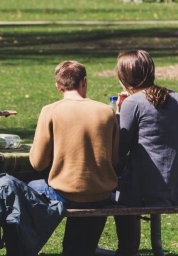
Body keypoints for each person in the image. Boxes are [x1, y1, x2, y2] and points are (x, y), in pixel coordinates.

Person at [29, 60, 119, 256]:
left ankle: (25, 246)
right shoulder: (107, 112)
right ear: (84, 81)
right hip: (102, 193)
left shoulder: (50, 111)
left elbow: (37, 163)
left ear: (58, 87)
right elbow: (113, 160)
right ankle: (81, 249)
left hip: (65, 193)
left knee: (29, 188)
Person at [112, 50, 178, 256]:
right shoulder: (176, 98)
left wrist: (120, 112)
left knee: (103, 190)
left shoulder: (133, 103)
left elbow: (121, 149)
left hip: (147, 191)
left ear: (124, 77)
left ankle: (126, 250)